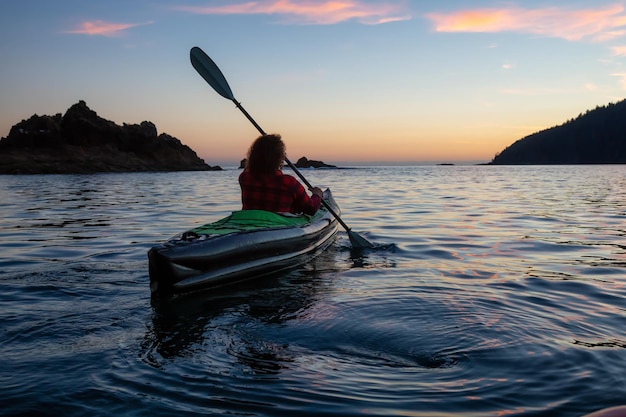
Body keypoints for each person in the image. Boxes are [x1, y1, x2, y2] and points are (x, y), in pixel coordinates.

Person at [239, 134, 323, 215]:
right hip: (278, 225)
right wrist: (317, 195)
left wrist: (262, 145)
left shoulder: (245, 178)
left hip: (250, 224)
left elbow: (250, 167)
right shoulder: (289, 182)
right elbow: (311, 209)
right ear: (281, 157)